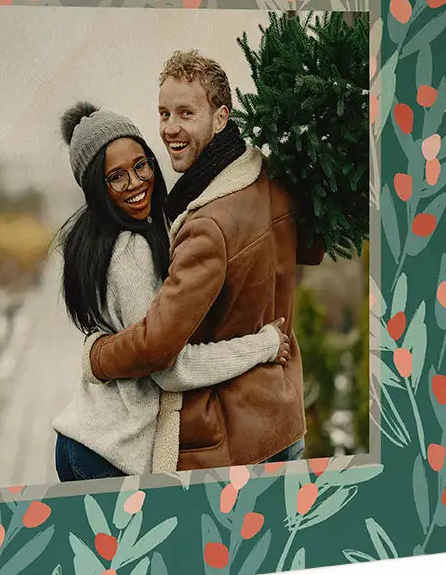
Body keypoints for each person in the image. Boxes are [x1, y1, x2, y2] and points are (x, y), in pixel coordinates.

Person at [86, 51, 324, 470]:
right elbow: (312, 249)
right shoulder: (271, 180)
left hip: (228, 444)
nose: (170, 129)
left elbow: (157, 348)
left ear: (220, 117)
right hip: (285, 418)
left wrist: (97, 356)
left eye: (185, 113)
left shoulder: (205, 226)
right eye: (163, 113)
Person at [52, 101, 290, 481]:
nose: (135, 182)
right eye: (116, 176)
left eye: (141, 164)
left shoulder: (110, 235)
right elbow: (170, 368)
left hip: (86, 443)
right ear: (96, 188)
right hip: (105, 454)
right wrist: (263, 344)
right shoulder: (129, 251)